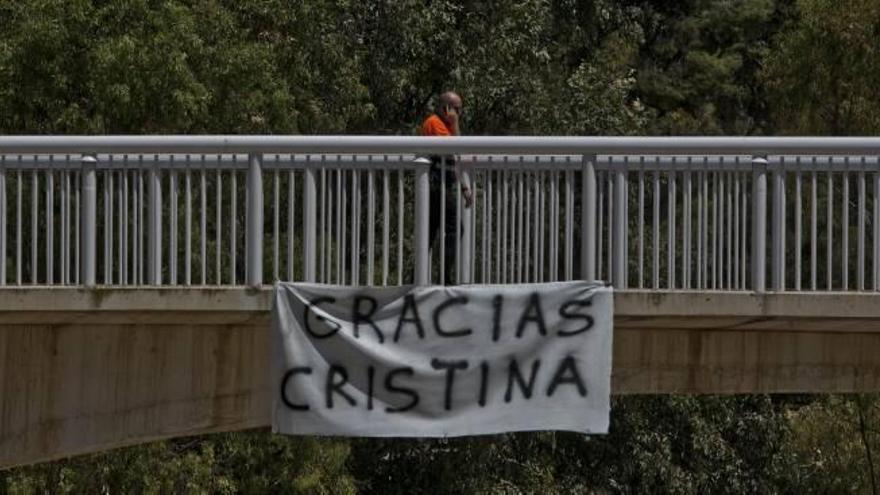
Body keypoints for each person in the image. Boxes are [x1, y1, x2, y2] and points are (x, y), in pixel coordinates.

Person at [420, 91, 472, 275]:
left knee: (429, 233)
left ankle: (414, 279)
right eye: (457, 109)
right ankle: (444, 276)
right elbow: (455, 149)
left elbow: (453, 161)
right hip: (436, 186)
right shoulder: (435, 123)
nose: (459, 113)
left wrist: (464, 186)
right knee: (455, 228)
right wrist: (455, 123)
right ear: (446, 109)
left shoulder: (446, 127)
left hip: (441, 185)